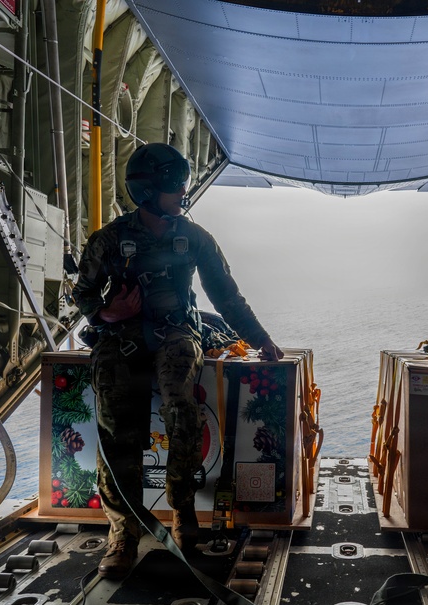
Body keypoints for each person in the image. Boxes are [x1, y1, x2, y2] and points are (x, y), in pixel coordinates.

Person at [74, 143, 284, 579]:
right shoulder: (109, 240)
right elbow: (83, 294)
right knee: (115, 423)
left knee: (181, 409)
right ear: (148, 191)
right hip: (121, 335)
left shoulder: (195, 238)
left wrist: (260, 339)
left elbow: (226, 296)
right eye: (175, 185)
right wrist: (107, 312)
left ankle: (183, 514)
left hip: (177, 334)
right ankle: (123, 533)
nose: (183, 191)